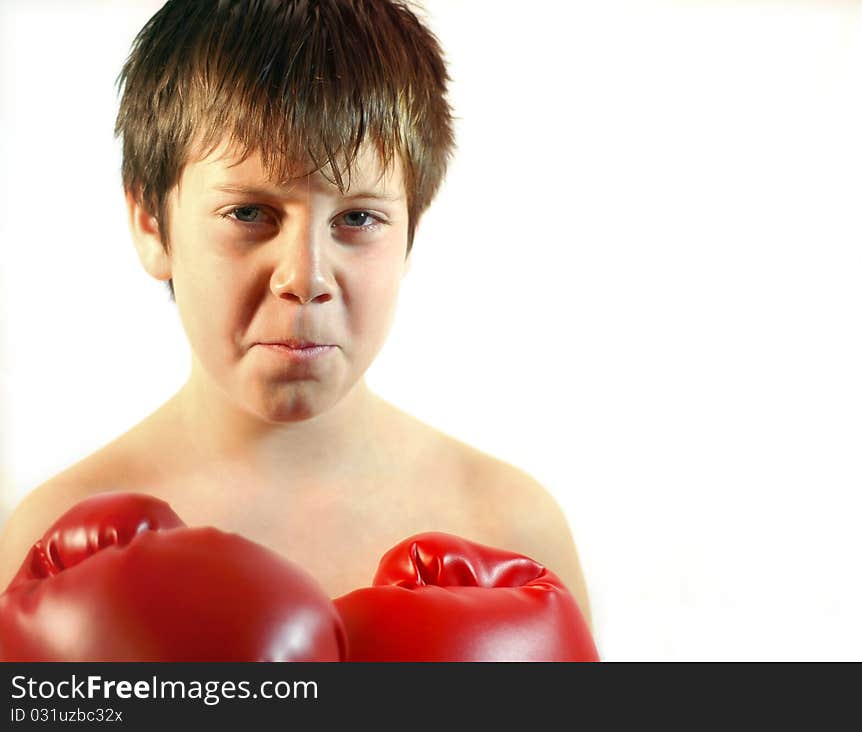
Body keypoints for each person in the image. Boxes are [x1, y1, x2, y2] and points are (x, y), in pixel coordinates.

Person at [0, 0, 595, 644]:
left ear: (411, 234)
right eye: (251, 213)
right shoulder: (54, 542)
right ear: (152, 224)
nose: (306, 277)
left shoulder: (512, 529)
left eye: (358, 219)